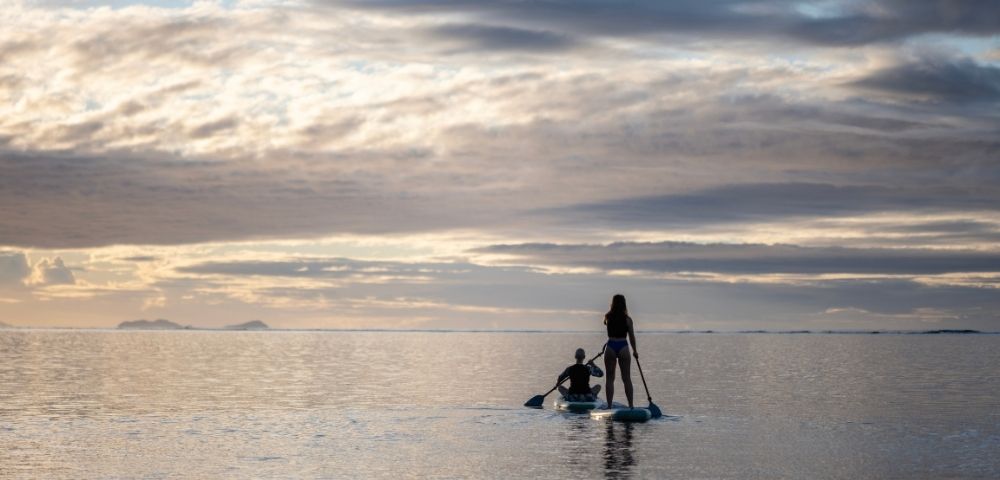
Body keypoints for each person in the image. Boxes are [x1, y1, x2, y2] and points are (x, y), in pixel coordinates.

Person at [603, 294, 637, 408]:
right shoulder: (628, 320)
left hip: (611, 346)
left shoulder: (607, 317)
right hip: (623, 346)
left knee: (609, 378)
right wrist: (635, 351)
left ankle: (609, 406)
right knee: (626, 378)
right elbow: (631, 336)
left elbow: (611, 330)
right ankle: (631, 406)